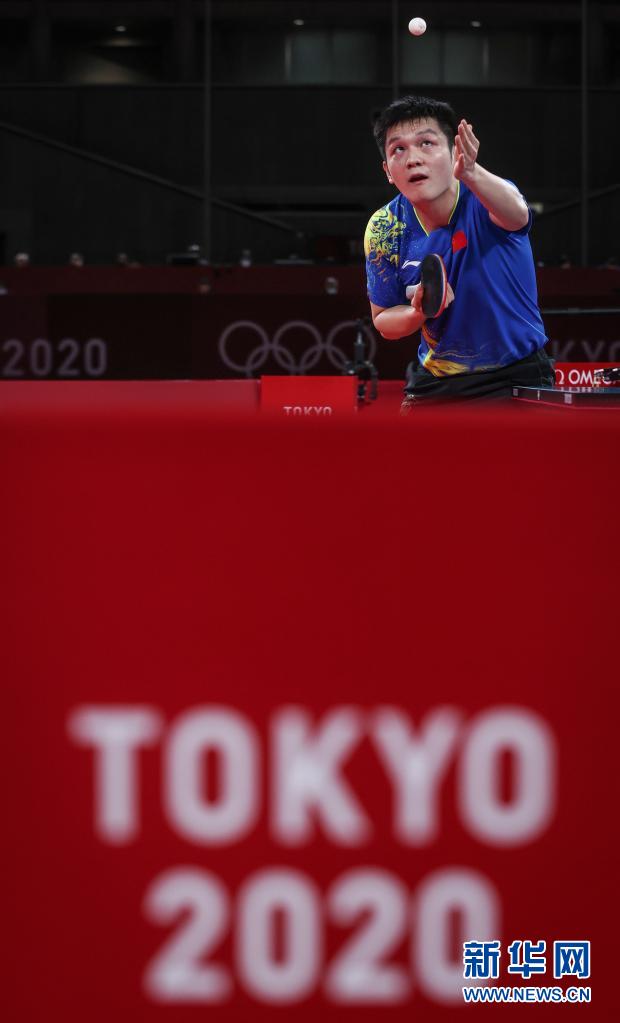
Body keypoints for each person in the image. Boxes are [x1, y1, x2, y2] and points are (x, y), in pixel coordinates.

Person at [365, 96, 553, 404]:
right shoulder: (384, 228)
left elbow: (518, 215)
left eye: (426, 143)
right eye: (398, 149)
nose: (413, 159)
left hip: (515, 374)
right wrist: (419, 312)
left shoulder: (485, 196)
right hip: (436, 376)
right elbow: (384, 320)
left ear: (454, 150)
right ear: (387, 170)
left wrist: (471, 172)